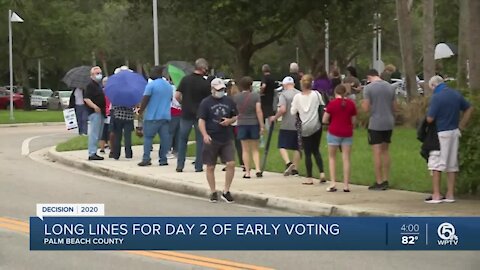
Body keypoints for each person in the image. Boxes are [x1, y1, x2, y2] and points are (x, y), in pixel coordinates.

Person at [425, 76, 473, 203]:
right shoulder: (455, 94)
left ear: (434, 85)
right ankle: (450, 194)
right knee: (452, 164)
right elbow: (469, 107)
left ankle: (436, 195)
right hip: (454, 131)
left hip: (441, 133)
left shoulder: (437, 97)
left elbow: (430, 119)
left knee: (436, 162)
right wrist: (462, 125)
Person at [198, 78, 238, 203]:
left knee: (231, 163)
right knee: (210, 166)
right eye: (218, 90)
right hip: (212, 136)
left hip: (226, 136)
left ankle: (226, 190)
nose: (220, 92)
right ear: (212, 89)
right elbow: (201, 120)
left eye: (222, 89)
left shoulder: (229, 101)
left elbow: (236, 115)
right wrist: (204, 134)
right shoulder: (206, 103)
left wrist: (229, 121)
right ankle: (213, 191)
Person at [361, 69, 397, 190]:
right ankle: (386, 179)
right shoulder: (390, 87)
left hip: (376, 122)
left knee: (377, 152)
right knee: (385, 151)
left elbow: (365, 108)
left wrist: (366, 105)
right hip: (388, 121)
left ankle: (379, 180)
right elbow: (395, 107)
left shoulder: (368, 88)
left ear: (369, 77)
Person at [175, 58, 211, 173]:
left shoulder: (185, 80)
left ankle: (180, 165)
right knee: (200, 141)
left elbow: (177, 95)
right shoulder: (205, 83)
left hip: (186, 113)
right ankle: (198, 166)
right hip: (199, 115)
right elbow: (208, 100)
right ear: (203, 69)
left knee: (182, 139)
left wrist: (182, 103)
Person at [291, 74, 327, 185]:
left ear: (301, 84)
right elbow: (322, 106)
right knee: (316, 150)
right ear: (311, 84)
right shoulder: (316, 95)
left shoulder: (297, 97)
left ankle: (309, 177)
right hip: (316, 125)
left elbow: (293, 112)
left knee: (307, 153)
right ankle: (322, 173)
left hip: (304, 127)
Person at [322, 84, 357, 192]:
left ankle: (333, 183)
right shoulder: (351, 104)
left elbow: (324, 120)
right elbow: (354, 121)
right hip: (347, 133)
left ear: (335, 93)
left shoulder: (332, 104)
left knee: (332, 157)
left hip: (334, 132)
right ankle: (346, 185)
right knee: (346, 158)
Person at [137, 66, 172, 166]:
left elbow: (145, 99)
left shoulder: (151, 85)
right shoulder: (168, 86)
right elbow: (169, 99)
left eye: (152, 71)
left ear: (156, 73)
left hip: (152, 116)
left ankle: (146, 158)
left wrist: (141, 110)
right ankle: (163, 159)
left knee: (148, 138)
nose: (150, 74)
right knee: (164, 139)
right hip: (165, 116)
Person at [233, 76, 264, 178]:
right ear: (250, 85)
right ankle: (258, 169)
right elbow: (258, 111)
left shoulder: (236, 97)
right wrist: (262, 125)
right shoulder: (255, 96)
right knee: (255, 149)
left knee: (245, 149)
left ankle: (247, 172)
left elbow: (235, 111)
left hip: (242, 123)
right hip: (254, 123)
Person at [269, 76, 301, 176]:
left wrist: (275, 117)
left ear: (284, 85)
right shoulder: (299, 94)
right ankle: (295, 168)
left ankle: (288, 163)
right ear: (293, 84)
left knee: (282, 145)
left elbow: (282, 109)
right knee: (297, 147)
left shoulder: (283, 95)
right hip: (298, 124)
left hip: (287, 124)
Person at [83, 66, 106, 161]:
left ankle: (94, 152)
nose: (99, 75)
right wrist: (94, 106)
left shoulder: (98, 85)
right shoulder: (90, 85)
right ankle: (92, 153)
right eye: (97, 73)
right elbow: (86, 98)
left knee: (99, 133)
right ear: (92, 75)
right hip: (94, 112)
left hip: (101, 112)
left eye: (100, 73)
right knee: (94, 133)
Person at [168, 77, 181, 158]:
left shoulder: (171, 88)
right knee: (177, 132)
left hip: (173, 110)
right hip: (179, 110)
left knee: (171, 132)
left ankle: (169, 149)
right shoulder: (180, 88)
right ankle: (176, 150)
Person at [99, 76, 112, 154]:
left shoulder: (101, 92)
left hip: (103, 113)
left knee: (103, 132)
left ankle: (102, 148)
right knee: (110, 131)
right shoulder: (112, 92)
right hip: (110, 113)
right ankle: (111, 147)